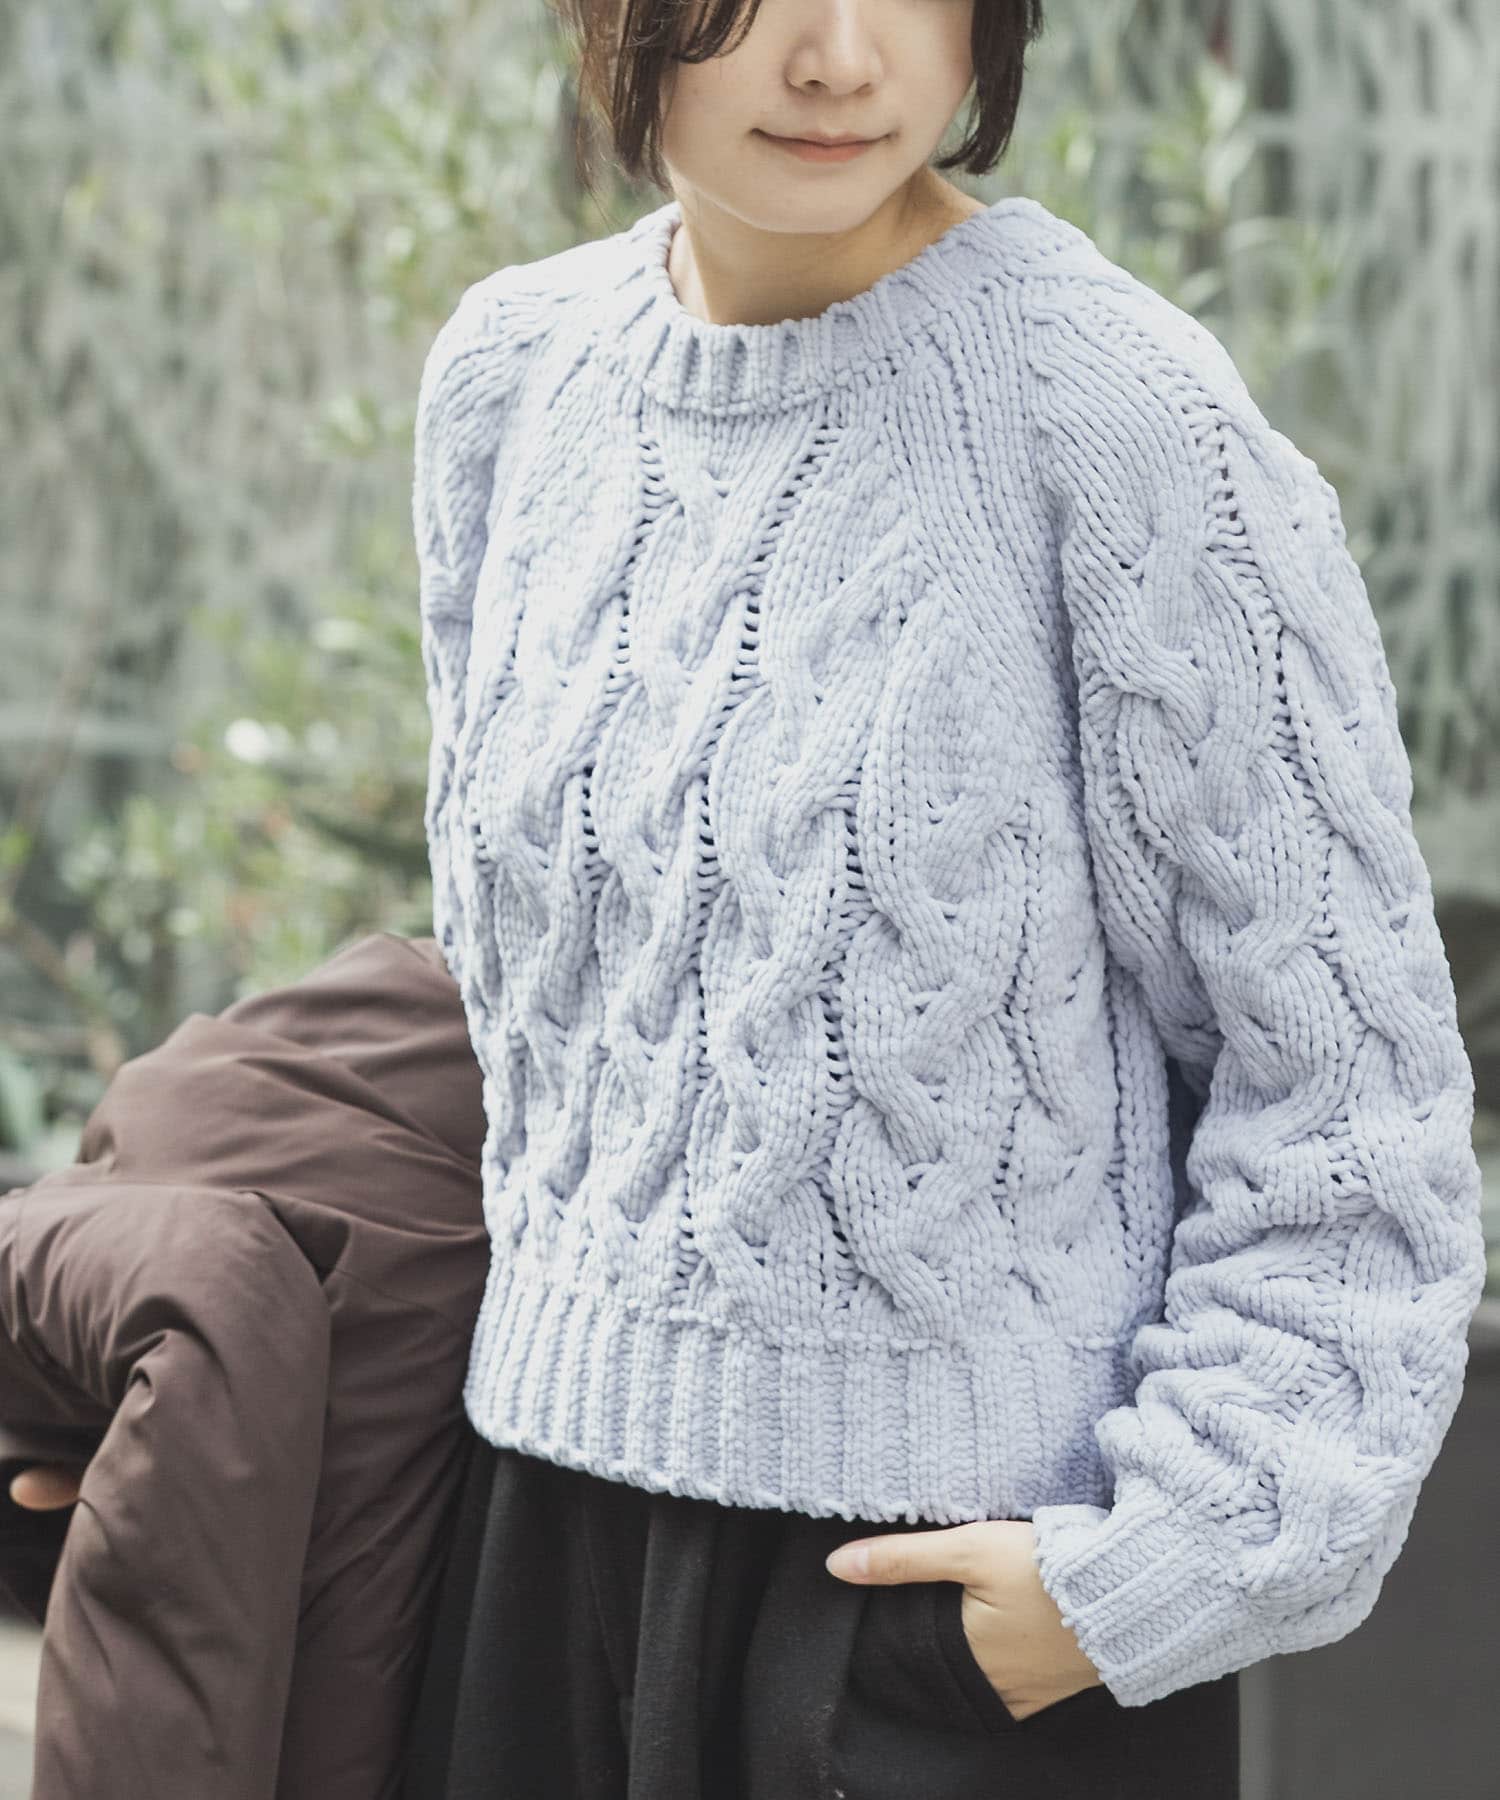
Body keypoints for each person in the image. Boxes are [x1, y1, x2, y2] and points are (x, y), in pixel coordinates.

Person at [26, 0, 1489, 1795]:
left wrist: (1151, 1569)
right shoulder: (512, 378)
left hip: (947, 1608)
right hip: (532, 1564)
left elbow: (1345, 1098)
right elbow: (546, 1003)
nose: (840, 56)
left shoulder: (1120, 418)